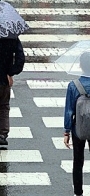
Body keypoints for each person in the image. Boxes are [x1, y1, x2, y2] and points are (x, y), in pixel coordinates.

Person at [64, 52, 90, 196]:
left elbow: (69, 110)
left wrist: (66, 131)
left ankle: (78, 192)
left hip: (77, 128)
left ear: (80, 66)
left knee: (78, 161)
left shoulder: (74, 86)